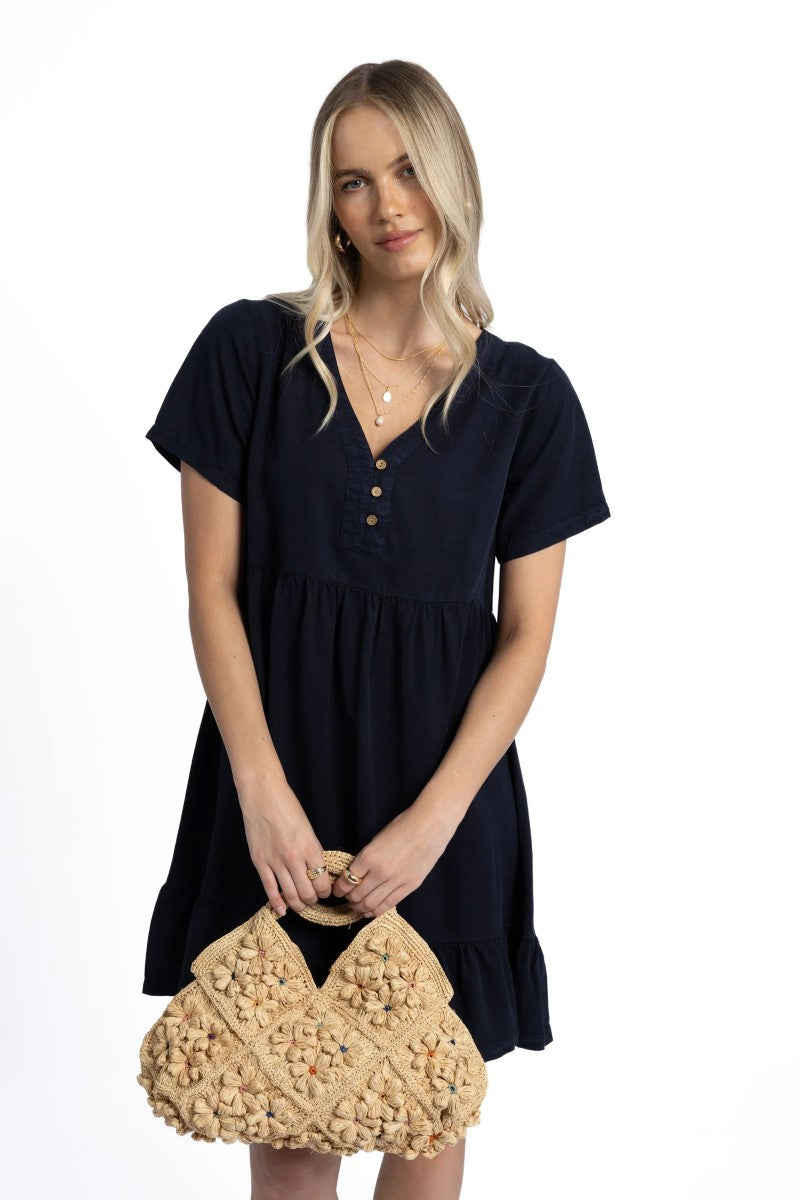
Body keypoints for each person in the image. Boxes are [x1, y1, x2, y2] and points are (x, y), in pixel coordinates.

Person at [141, 59, 611, 1200]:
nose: (386, 205)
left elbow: (525, 639)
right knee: (288, 1136)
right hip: (277, 789)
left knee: (418, 1126)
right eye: (351, 182)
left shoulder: (527, 401)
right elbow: (212, 589)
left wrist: (433, 824)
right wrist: (259, 790)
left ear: (450, 175)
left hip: (438, 807)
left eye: (405, 170)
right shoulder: (250, 354)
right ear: (327, 206)